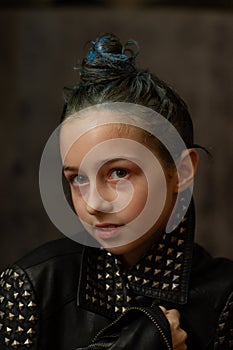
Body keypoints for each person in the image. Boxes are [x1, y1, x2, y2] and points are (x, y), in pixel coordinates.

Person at [0, 33, 232, 350]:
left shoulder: (226, 300)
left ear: (182, 172)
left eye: (119, 173)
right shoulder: (31, 286)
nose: (93, 203)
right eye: (78, 178)